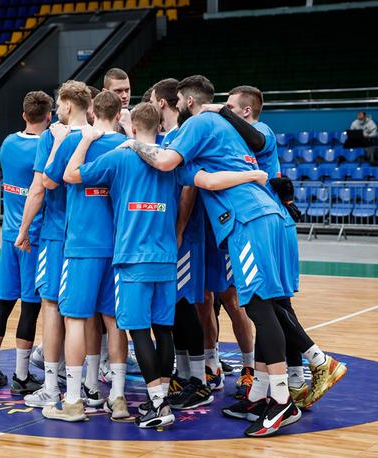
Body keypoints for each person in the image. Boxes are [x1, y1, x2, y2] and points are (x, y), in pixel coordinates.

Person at [122, 75, 300, 438]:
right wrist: (251, 173)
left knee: (261, 308)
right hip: (259, 217)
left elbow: (166, 160)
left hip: (248, 219)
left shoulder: (201, 122)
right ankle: (264, 393)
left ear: (185, 104)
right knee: (258, 306)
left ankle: (282, 399)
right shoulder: (220, 138)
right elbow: (211, 179)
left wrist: (132, 142)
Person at [221, 85, 347, 409]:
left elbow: (259, 141)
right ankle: (290, 381)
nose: (226, 109)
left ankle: (316, 362)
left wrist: (216, 113)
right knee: (274, 304)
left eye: (230, 106)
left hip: (272, 225)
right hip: (274, 222)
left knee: (272, 306)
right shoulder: (244, 141)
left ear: (246, 112)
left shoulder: (259, 130)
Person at [63, 103, 178, 429]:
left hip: (132, 256)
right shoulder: (171, 158)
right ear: (158, 125)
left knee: (138, 330)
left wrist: (85, 140)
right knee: (164, 329)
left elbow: (71, 175)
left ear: (132, 127)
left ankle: (158, 404)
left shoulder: (121, 156)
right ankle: (162, 399)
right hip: (167, 255)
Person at [40, 91, 130, 422]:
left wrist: (62, 142)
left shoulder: (76, 141)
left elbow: (50, 181)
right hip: (117, 246)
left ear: (93, 112)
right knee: (114, 320)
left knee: (75, 319)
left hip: (80, 245)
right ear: (120, 114)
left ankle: (74, 401)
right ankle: (118, 398)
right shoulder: (125, 148)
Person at [16, 80, 92, 409]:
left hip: (56, 233)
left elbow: (40, 186)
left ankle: (51, 384)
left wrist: (23, 229)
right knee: (88, 312)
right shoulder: (101, 136)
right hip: (91, 237)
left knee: (52, 305)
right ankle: (90, 383)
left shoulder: (52, 136)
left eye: (59, 105)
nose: (56, 111)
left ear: (67, 105)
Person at [0, 91, 52, 396]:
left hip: (8, 236)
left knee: (3, 303)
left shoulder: (8, 143)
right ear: (48, 116)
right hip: (33, 238)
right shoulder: (47, 148)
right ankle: (21, 376)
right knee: (30, 308)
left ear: (24, 115)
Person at [150, 77, 213, 409]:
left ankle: (200, 381)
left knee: (185, 306)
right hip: (170, 234)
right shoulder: (169, 137)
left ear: (163, 102)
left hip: (184, 236)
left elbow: (189, 187)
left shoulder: (185, 134)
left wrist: (178, 228)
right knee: (174, 307)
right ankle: (185, 376)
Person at [103, 68, 132, 136]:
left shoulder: (139, 120)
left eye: (127, 90)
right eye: (118, 91)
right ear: (105, 92)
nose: (125, 96)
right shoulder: (94, 119)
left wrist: (129, 128)